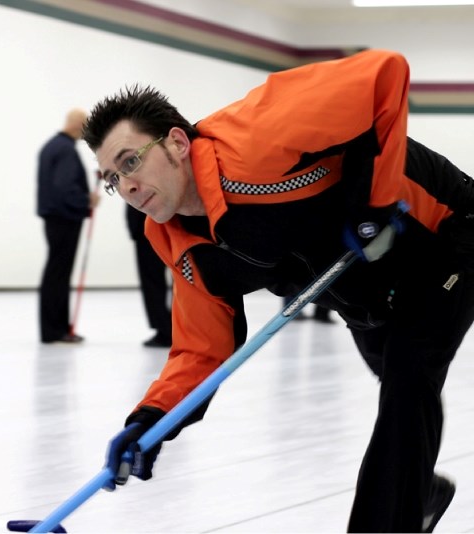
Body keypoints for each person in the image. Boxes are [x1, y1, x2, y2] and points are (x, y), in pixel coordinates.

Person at [83, 49, 470, 532]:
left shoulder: (257, 136)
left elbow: (382, 74)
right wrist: (152, 418)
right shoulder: (179, 239)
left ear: (177, 143)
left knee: (409, 384)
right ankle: (418, 492)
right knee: (403, 388)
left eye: (131, 161)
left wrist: (374, 203)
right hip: (365, 295)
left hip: (443, 234)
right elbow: (202, 348)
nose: (128, 185)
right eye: (114, 178)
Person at [37, 109, 100, 344]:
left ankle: (54, 329)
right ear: (78, 125)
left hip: (55, 219)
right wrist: (87, 200)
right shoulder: (64, 150)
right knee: (59, 274)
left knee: (56, 273)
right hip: (64, 219)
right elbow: (65, 188)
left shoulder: (52, 146)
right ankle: (55, 330)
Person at [126, 204, 172, 347]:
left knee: (153, 280)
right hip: (161, 222)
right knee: (176, 278)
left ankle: (166, 330)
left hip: (148, 223)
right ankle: (170, 328)